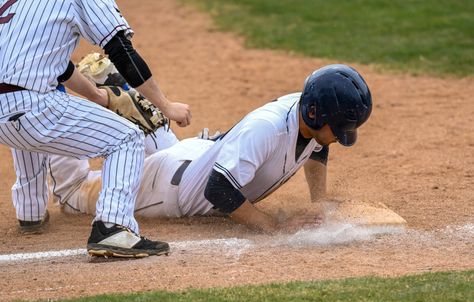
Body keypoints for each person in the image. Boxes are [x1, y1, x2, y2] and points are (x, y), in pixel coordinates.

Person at [49, 64, 372, 233]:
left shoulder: (309, 116)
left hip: (193, 156)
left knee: (157, 146)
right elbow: (218, 188)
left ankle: (122, 96)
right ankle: (55, 98)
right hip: (165, 190)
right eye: (339, 129)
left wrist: (320, 201)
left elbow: (318, 143)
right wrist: (274, 226)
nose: (338, 138)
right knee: (76, 194)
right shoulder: (267, 128)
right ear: (316, 113)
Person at [0, 0, 191, 258]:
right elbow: (121, 50)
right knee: (126, 138)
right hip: (32, 107)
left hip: (10, 113)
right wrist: (167, 106)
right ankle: (112, 227)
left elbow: (52, 64)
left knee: (25, 116)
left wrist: (98, 96)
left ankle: (30, 212)